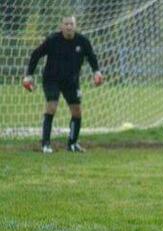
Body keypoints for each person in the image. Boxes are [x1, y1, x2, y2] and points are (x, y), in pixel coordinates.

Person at [23, 15, 103, 153]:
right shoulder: (53, 40)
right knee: (51, 107)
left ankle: (72, 144)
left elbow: (91, 56)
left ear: (75, 25)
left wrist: (97, 72)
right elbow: (35, 54)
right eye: (66, 24)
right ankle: (46, 144)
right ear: (61, 26)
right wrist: (28, 75)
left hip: (71, 81)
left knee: (77, 112)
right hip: (51, 80)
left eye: (71, 24)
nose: (69, 27)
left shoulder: (82, 41)